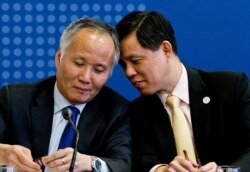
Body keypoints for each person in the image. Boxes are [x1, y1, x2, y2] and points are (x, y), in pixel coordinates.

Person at [116, 11, 250, 172]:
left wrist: (226, 171)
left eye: (135, 61)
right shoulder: (135, 112)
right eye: (123, 65)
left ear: (166, 49)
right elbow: (140, 161)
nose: (129, 72)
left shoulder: (230, 87)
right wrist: (162, 170)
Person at [0, 18, 131, 172]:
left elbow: (123, 164)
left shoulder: (117, 110)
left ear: (109, 74)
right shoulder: (14, 99)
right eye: (79, 63)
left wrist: (90, 163)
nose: (85, 78)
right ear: (59, 59)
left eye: (99, 70)